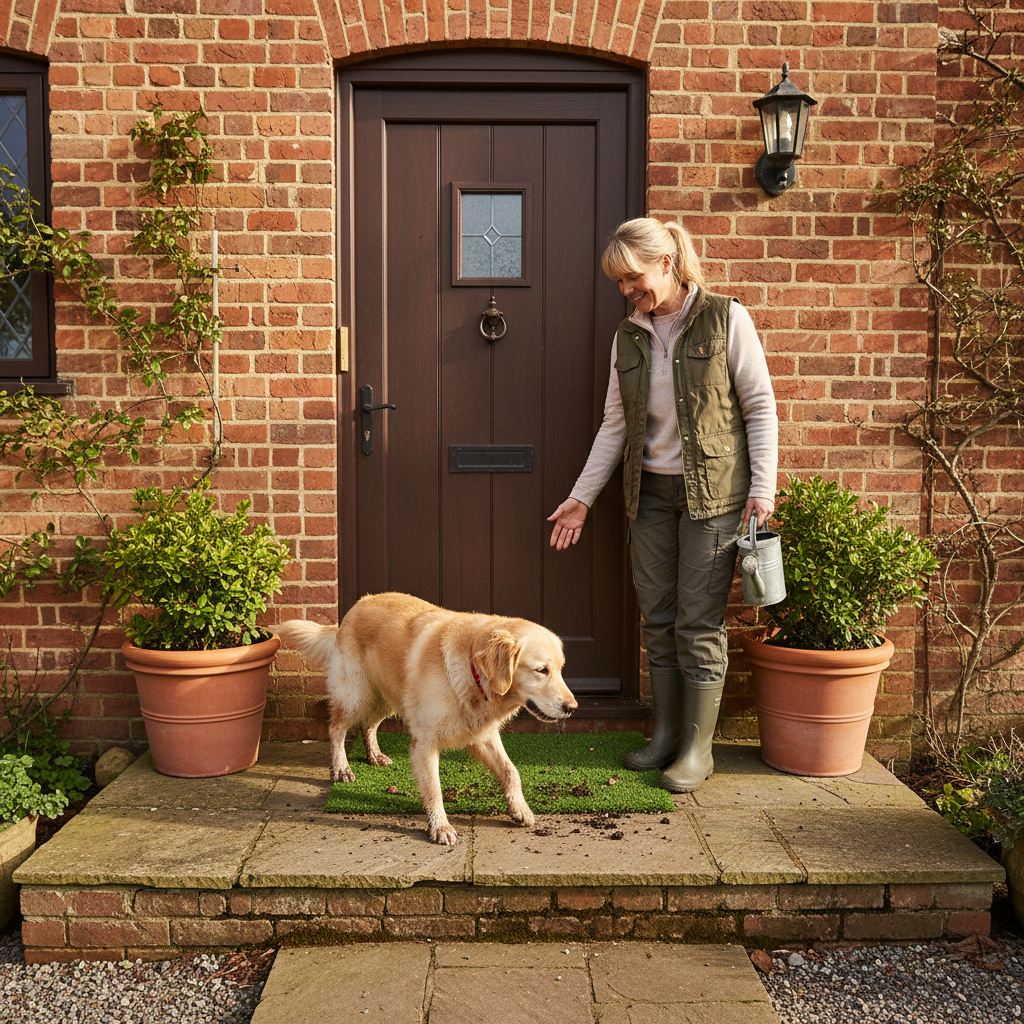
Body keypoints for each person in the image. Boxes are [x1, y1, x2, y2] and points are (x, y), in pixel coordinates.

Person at [547, 217, 778, 793]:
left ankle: (698, 750)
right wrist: (580, 499)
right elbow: (616, 424)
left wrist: (763, 488)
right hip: (648, 495)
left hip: (714, 497)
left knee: (697, 621)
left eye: (634, 277)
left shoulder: (726, 318)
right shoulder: (628, 336)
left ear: (667, 263)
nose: (627, 290)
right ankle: (668, 735)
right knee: (658, 619)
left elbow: (759, 406)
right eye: (619, 282)